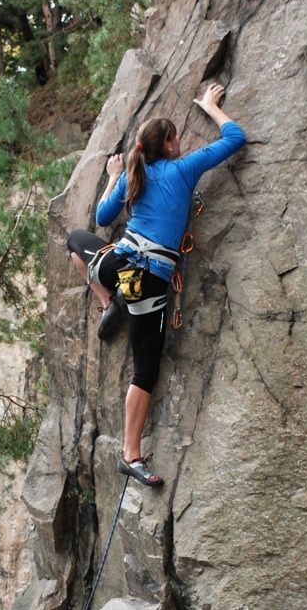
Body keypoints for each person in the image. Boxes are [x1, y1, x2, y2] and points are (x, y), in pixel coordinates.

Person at [68, 83, 246, 487]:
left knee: (77, 242)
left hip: (115, 266)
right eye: (176, 137)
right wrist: (210, 106)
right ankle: (130, 455)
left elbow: (101, 218)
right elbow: (236, 138)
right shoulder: (182, 169)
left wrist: (114, 177)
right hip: (148, 286)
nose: (181, 141)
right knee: (145, 370)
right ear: (167, 145)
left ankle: (106, 302)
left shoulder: (135, 174)